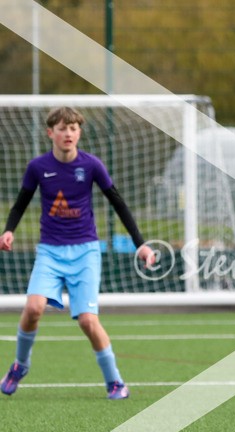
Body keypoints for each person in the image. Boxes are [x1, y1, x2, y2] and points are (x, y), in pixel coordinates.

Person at [0, 106, 155, 400]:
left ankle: (115, 381)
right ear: (51, 133)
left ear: (79, 132)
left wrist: (141, 244)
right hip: (49, 251)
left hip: (85, 252)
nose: (67, 133)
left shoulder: (92, 165)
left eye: (72, 128)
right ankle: (20, 365)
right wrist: (9, 230)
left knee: (87, 321)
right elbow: (20, 204)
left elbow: (118, 203)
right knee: (33, 309)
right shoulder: (37, 167)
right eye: (61, 128)